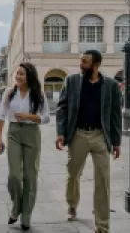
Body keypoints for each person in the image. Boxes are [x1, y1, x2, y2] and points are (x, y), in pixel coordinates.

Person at [56, 50, 122, 233]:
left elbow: (116, 116)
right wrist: (61, 132)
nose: (81, 64)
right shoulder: (72, 81)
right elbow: (62, 108)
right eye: (81, 61)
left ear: (96, 64)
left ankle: (102, 225)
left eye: (85, 61)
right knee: (73, 174)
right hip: (78, 134)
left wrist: (116, 143)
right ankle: (72, 203)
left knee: (103, 180)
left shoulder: (111, 85)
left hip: (101, 136)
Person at [0, 62, 50, 231]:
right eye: (17, 74)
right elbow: (1, 115)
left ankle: (26, 215)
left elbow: (47, 117)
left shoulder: (38, 94)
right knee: (14, 176)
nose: (18, 77)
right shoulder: (9, 93)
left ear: (29, 77)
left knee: (30, 176)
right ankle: (16, 205)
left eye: (22, 74)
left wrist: (31, 116)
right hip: (13, 133)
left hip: (32, 133)